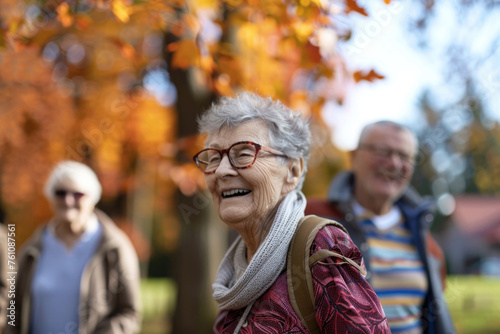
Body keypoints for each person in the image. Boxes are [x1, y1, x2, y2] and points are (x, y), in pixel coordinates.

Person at [193, 92, 390, 333]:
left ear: (293, 171)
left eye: (243, 154)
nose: (221, 171)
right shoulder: (234, 273)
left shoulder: (321, 245)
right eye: (213, 158)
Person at [306, 121, 455, 334]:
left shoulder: (425, 240)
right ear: (354, 157)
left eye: (404, 157)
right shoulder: (311, 218)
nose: (394, 163)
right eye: (383, 151)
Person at [9, 161, 141, 334]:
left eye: (78, 194)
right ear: (50, 197)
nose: (68, 200)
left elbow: (129, 312)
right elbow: (13, 310)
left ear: (93, 199)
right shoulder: (32, 250)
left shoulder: (114, 248)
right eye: (60, 193)